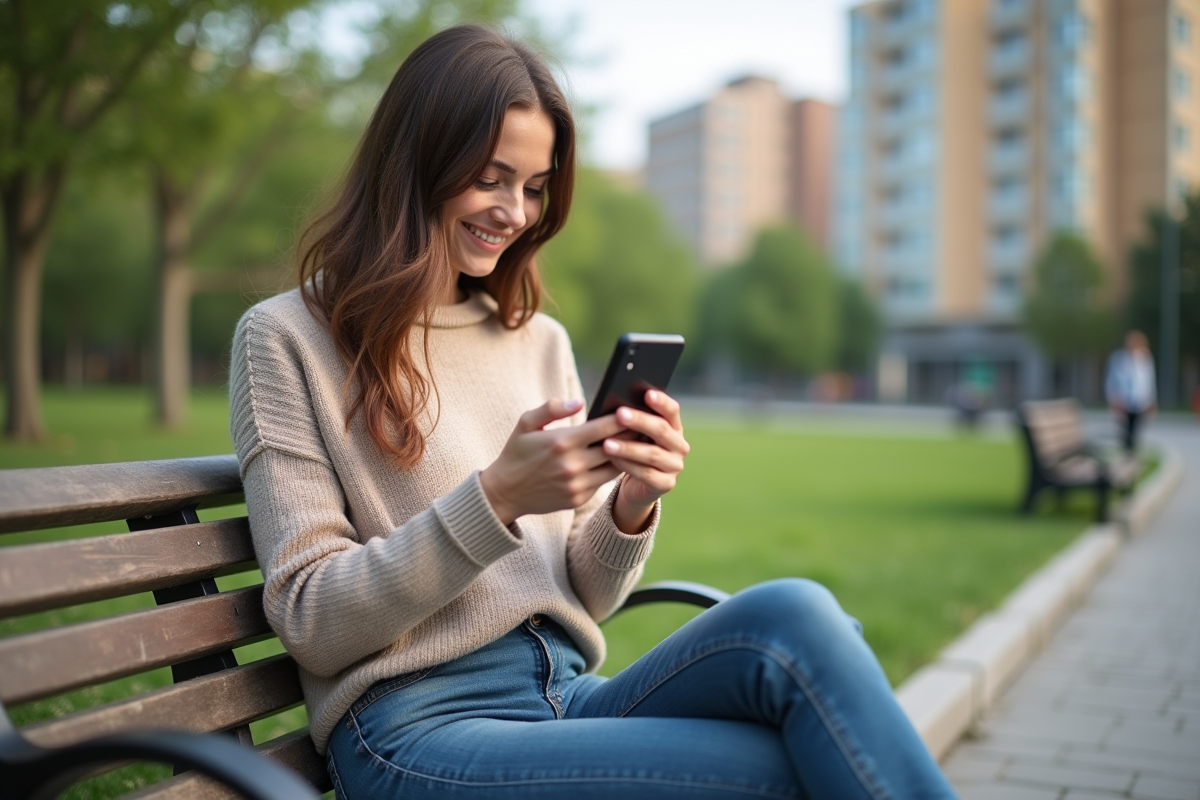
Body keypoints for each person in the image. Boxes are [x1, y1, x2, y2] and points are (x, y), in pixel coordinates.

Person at [229, 24, 958, 799]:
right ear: (417, 160)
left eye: (534, 186)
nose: (515, 212)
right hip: (413, 730)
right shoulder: (285, 339)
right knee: (791, 770)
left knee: (802, 618)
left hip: (563, 695)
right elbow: (310, 619)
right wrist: (497, 498)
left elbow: (588, 595)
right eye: (491, 177)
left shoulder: (535, 338)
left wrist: (633, 504)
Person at [1105, 330, 1157, 453]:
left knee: (1136, 431)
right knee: (1125, 430)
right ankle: (1127, 454)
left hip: (1140, 400)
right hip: (1123, 401)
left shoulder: (1145, 359)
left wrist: (1152, 401)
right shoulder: (1118, 358)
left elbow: (1150, 381)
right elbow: (1111, 380)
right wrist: (1113, 399)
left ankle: (1132, 455)